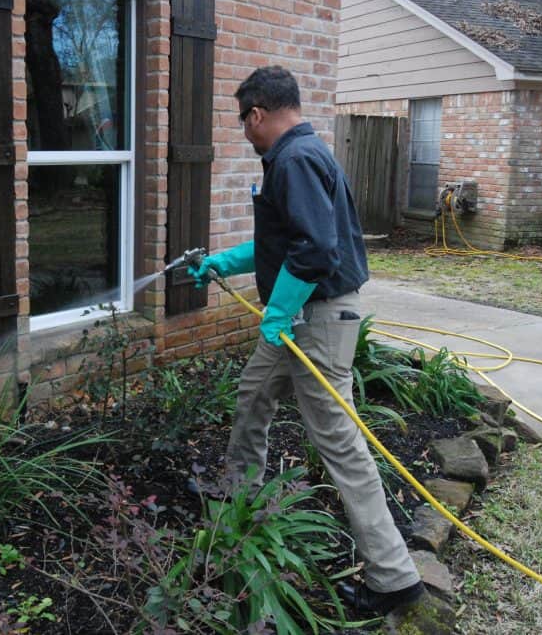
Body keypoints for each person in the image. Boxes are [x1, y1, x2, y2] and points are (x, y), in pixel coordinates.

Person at [191, 66, 450, 633]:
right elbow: (279, 243)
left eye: (243, 120)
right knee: (253, 394)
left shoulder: (296, 159)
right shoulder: (299, 156)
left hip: (317, 318)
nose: (244, 131)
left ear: (257, 113)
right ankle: (239, 503)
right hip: (303, 316)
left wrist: (279, 312)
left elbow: (315, 249)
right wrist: (223, 263)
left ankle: (394, 577)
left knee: (339, 442)